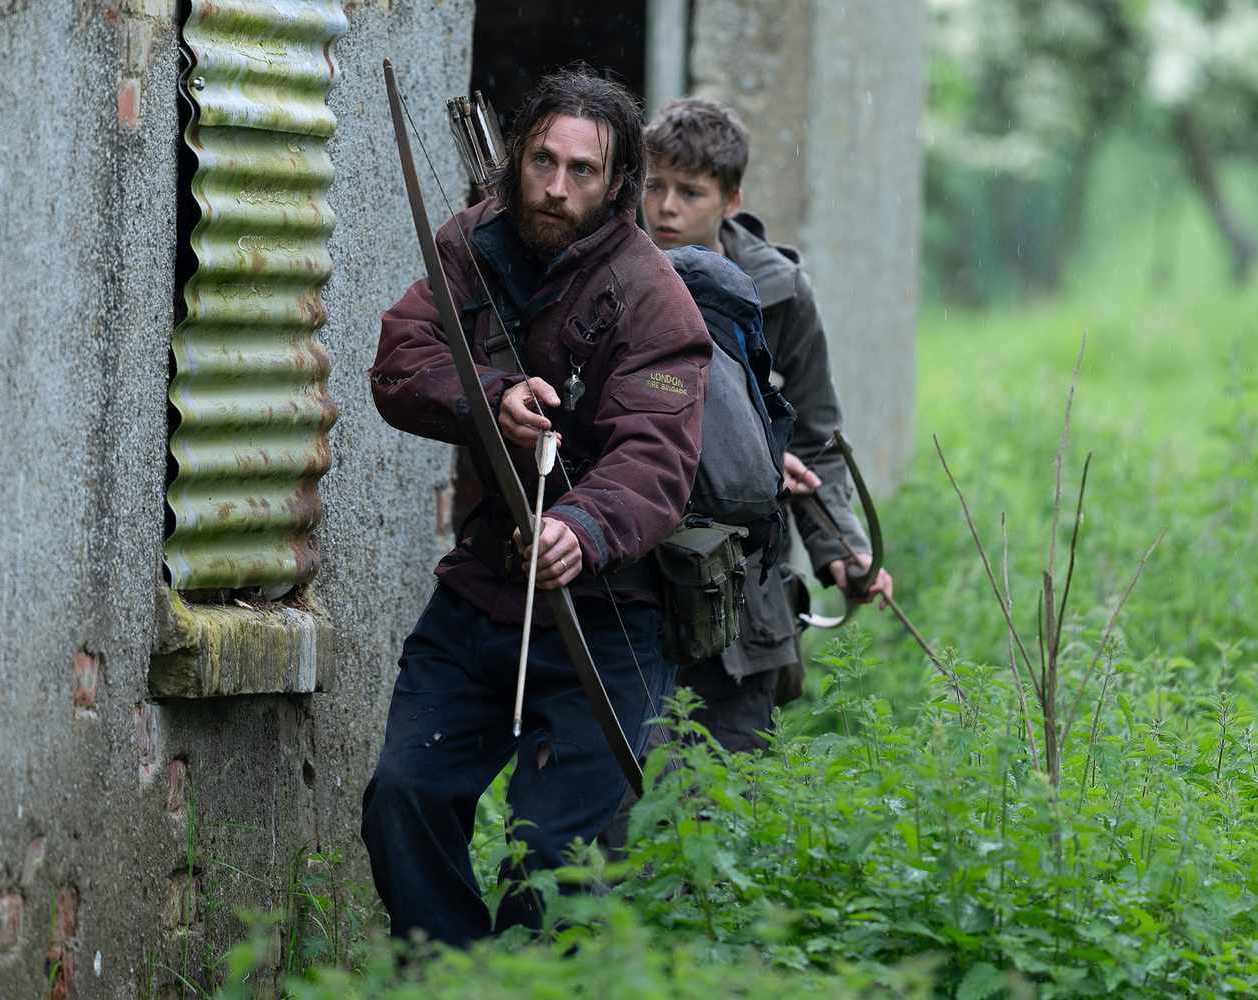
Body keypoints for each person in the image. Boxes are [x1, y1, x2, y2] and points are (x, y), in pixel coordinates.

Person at [362, 69, 712, 947]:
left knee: (552, 861)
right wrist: (489, 394)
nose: (556, 187)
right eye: (542, 161)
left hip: (608, 615)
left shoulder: (653, 296)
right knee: (404, 793)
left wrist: (579, 529)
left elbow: (656, 456)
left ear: (617, 182)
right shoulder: (471, 242)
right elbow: (402, 362)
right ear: (518, 158)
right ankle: (444, 975)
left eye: (581, 170)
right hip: (485, 585)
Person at [641, 97, 895, 752]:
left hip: (743, 576)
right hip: (635, 562)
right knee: (631, 781)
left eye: (690, 192)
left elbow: (815, 439)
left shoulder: (779, 293)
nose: (666, 208)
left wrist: (845, 549)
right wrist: (745, 453)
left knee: (732, 776)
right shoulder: (614, 277)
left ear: (731, 199)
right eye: (654, 185)